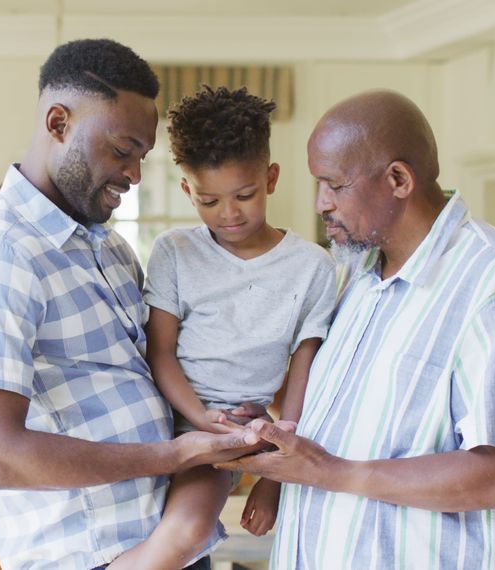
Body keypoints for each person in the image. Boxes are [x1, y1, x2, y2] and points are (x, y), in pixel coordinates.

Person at [0, 39, 261, 570]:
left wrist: (216, 419)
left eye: (141, 156)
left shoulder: (108, 247)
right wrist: (177, 454)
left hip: (164, 544)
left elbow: (151, 372)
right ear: (59, 123)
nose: (134, 175)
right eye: (122, 149)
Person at [215, 89, 495, 569]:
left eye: (333, 184)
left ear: (398, 179)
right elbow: (351, 420)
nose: (320, 204)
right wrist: (270, 421)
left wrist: (329, 472)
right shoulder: (353, 275)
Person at [108, 86, 336, 570]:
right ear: (187, 190)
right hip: (173, 421)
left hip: (239, 434)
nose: (229, 214)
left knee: (187, 533)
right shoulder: (174, 251)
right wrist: (198, 415)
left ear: (271, 179)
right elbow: (161, 353)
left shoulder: (312, 267)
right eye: (209, 200)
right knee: (165, 535)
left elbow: (302, 373)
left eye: (244, 195)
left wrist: (274, 477)